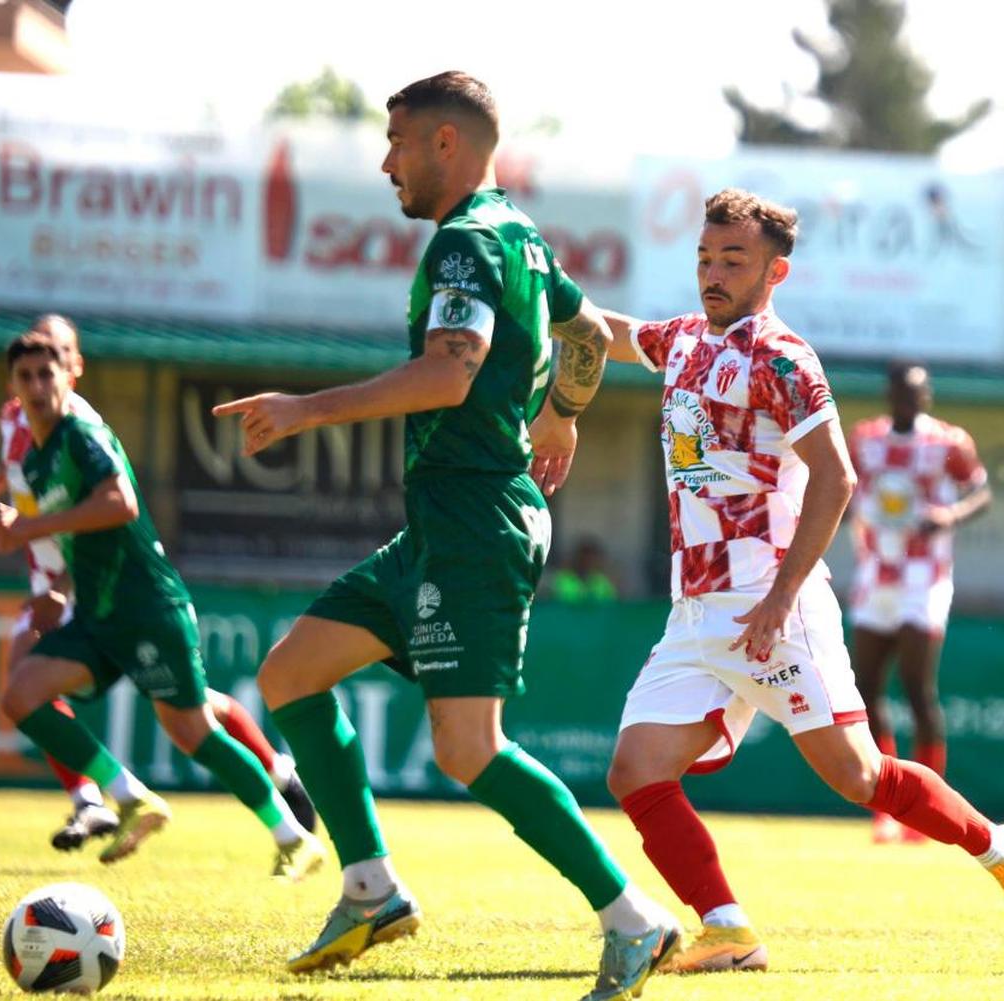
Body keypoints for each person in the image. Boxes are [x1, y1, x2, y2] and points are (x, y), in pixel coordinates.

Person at [212, 71, 677, 998]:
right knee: (290, 674)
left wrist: (303, 410)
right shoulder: (521, 234)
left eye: (397, 142)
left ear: (447, 145)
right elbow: (587, 332)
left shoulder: (468, 242)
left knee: (469, 747)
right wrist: (565, 411)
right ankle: (370, 887)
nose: (387, 163)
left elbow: (450, 372)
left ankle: (635, 918)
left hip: (472, 519)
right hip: (439, 521)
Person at [530, 188, 1004, 974]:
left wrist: (781, 597)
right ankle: (727, 929)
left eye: (732, 260)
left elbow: (837, 478)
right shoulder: (680, 339)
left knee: (859, 775)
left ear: (776, 271)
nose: (713, 272)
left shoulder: (784, 358)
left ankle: (999, 848)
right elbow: (605, 331)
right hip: (697, 609)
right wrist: (532, 282)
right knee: (635, 769)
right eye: (705, 257)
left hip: (771, 604)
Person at [0, 314, 317, 852]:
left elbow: (114, 504)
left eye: (56, 363)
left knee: (189, 718)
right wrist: (2, 510)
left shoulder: (81, 429)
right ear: (13, 382)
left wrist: (30, 538)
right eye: (29, 373)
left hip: (120, 592)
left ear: (74, 368)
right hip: (73, 583)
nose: (42, 381)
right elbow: (25, 480)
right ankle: (100, 798)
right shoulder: (19, 426)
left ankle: (276, 787)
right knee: (25, 687)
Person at [847, 361, 992, 843]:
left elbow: (981, 493)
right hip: (875, 574)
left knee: (916, 686)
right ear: (888, 395)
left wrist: (950, 513)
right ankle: (887, 808)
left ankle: (928, 814)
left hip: (923, 577)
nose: (907, 401)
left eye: (915, 394)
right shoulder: (865, 438)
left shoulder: (948, 442)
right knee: (865, 690)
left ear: (927, 396)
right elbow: (844, 489)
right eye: (899, 393)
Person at [551, 536, 619, 603]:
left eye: (592, 560)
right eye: (585, 559)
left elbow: (611, 605)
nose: (588, 563)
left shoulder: (602, 583)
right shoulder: (563, 579)